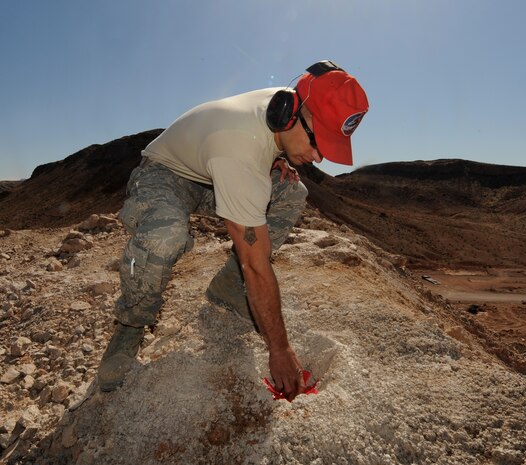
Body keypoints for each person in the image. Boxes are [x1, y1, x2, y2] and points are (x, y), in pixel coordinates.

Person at [97, 61, 369, 400]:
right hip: (165, 174)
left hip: (211, 175)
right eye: (317, 142)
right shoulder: (238, 147)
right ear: (287, 115)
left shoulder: (285, 106)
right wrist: (280, 350)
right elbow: (255, 262)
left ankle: (228, 288)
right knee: (165, 235)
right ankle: (130, 325)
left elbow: (264, 144)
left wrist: (277, 156)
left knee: (292, 192)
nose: (318, 157)